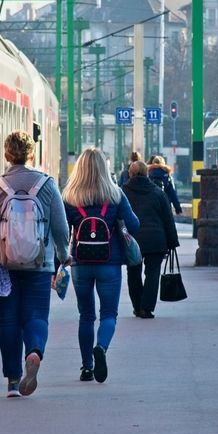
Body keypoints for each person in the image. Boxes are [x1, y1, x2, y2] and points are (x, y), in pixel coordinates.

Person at [0, 131, 70, 398]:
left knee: (9, 320)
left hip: (5, 265)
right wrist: (63, 254)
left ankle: (12, 381)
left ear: (6, 155)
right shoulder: (47, 185)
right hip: (40, 264)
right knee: (36, 316)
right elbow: (60, 228)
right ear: (31, 154)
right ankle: (34, 352)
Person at [64, 148, 140, 384]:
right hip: (110, 262)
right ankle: (102, 348)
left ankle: (87, 367)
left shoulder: (69, 197)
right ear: (104, 169)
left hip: (80, 263)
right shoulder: (116, 195)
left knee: (85, 315)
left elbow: (61, 231)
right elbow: (134, 225)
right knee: (109, 314)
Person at [121, 160, 180, 318]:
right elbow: (168, 219)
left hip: (132, 240)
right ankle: (146, 308)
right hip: (156, 240)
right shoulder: (157, 193)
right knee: (152, 273)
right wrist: (172, 242)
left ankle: (137, 306)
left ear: (130, 174)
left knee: (133, 273)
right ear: (147, 174)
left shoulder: (122, 192)